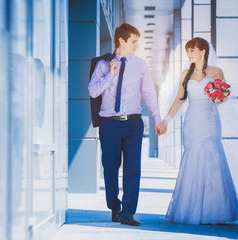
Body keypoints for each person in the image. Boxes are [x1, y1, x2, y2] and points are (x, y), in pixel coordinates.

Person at [88, 23, 165, 226]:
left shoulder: (139, 64)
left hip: (133, 123)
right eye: (134, 42)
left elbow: (148, 93)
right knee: (110, 167)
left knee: (133, 168)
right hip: (109, 124)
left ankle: (128, 212)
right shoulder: (103, 64)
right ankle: (114, 206)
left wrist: (157, 119)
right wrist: (109, 76)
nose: (136, 46)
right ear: (121, 41)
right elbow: (92, 91)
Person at [162, 37, 238, 224]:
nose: (188, 54)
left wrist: (219, 98)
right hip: (192, 121)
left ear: (203, 52)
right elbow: (180, 100)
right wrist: (166, 120)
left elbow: (223, 98)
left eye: (191, 51)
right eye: (187, 51)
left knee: (212, 156)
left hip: (210, 120)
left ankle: (215, 209)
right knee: (192, 156)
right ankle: (190, 208)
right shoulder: (185, 74)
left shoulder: (216, 72)